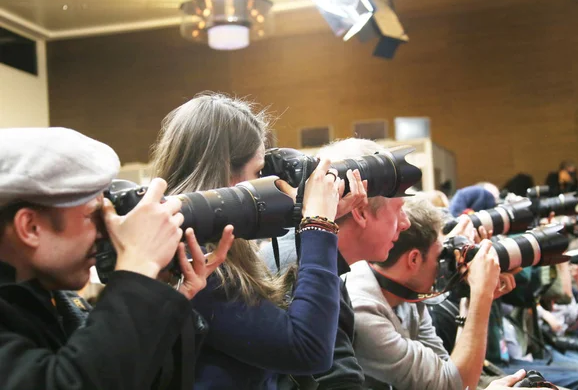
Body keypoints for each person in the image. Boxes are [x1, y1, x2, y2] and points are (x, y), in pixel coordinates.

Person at [0, 127, 231, 390]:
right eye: (94, 216)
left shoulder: (49, 300)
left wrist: (165, 295)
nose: (106, 232)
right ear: (30, 227)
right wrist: (137, 271)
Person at [151, 92, 346, 389]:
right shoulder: (193, 256)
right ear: (230, 178)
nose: (265, 183)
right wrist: (319, 224)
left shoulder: (221, 245)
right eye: (258, 172)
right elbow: (308, 349)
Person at [261, 137, 412, 389]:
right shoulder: (297, 268)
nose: (406, 222)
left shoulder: (304, 253)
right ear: (361, 211)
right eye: (399, 209)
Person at [345, 197, 515, 390]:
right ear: (414, 259)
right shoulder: (363, 310)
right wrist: (481, 295)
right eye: (440, 257)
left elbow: (446, 371)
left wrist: (469, 295)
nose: (443, 267)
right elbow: (453, 385)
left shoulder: (407, 294)